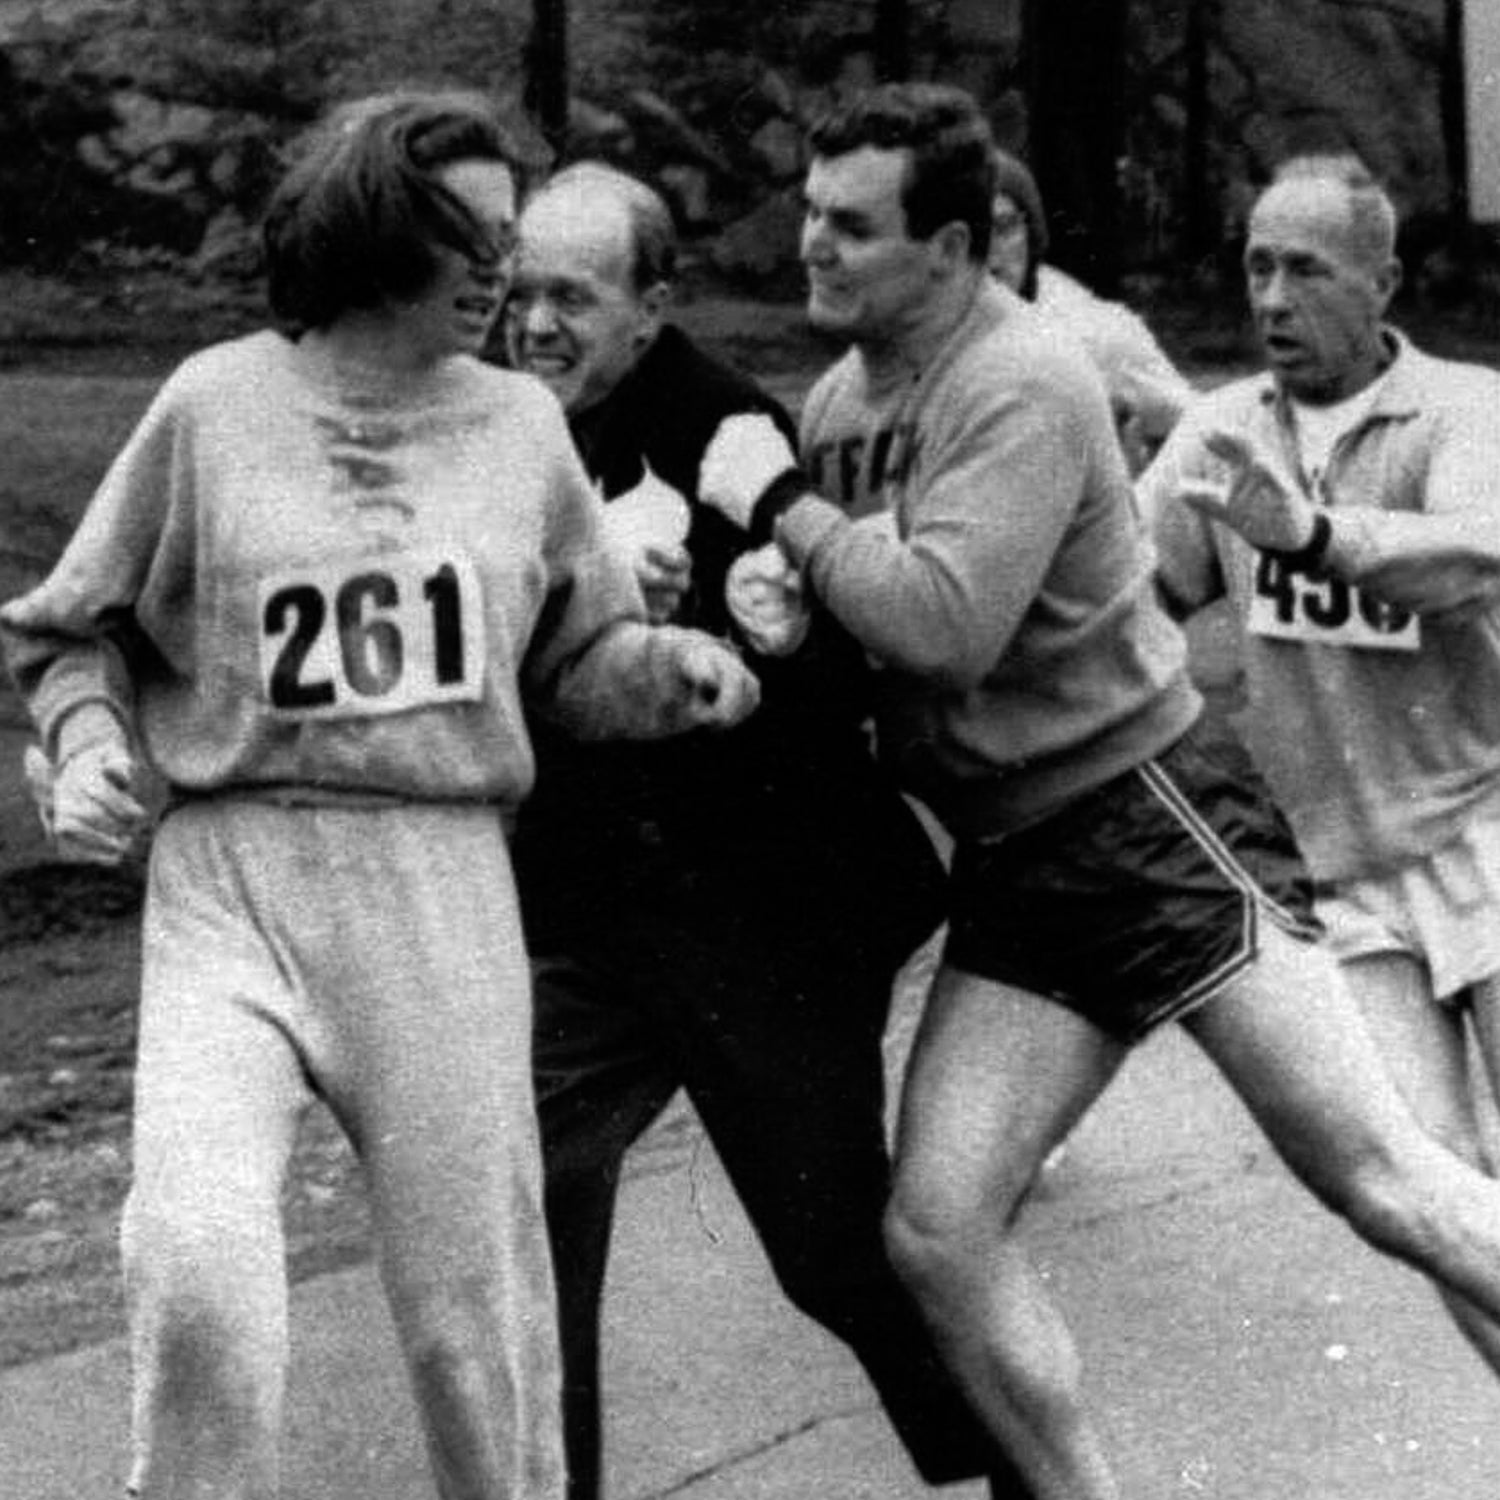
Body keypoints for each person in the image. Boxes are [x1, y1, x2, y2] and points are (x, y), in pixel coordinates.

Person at [695, 81, 1500, 1500]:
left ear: (950, 248)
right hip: (1017, 857)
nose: (811, 248)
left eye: (852, 225)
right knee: (937, 1229)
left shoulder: (1021, 376)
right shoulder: (835, 403)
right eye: (810, 215)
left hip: (1149, 819)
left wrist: (779, 513)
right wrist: (780, 606)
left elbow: (944, 620)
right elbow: (892, 635)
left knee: (1387, 1182)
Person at [0, 91, 759, 1500]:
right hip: (235, 880)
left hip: (438, 882)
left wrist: (665, 675)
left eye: (512, 247)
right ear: (366, 230)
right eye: (468, 241)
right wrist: (96, 741)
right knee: (199, 1269)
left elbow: (572, 661)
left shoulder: (521, 427)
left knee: (478, 1325)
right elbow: (63, 625)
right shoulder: (215, 405)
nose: (501, 279)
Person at [499, 160, 1028, 1499]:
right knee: (527, 1185)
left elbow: (815, 682)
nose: (538, 323)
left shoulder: (727, 429)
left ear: (651, 304)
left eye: (573, 294)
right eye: (519, 293)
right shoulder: (505, 427)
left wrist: (695, 636)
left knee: (834, 1253)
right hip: (594, 919)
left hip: (763, 920)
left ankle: (1040, 1469)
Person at [1140, 152, 1500, 1376]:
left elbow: (1469, 562)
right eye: (1256, 268)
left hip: (1486, 829)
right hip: (1342, 875)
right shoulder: (1223, 433)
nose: (1274, 299)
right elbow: (1125, 602)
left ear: (1384, 282)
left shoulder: (1463, 410)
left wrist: (1309, 534)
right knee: (1442, 1202)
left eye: (1307, 269)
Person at [988, 147, 1193, 472]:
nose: (987, 252)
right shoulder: (922, 327)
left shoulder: (1092, 330)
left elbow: (1194, 426)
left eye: (1002, 228)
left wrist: (1143, 489)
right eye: (971, 231)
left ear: (1031, 232)